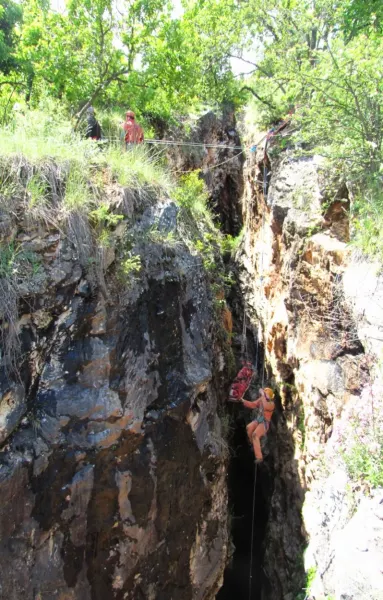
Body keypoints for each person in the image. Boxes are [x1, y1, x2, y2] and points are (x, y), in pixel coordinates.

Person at [242, 387, 275, 463]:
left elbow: (266, 406)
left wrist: (262, 395)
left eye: (266, 394)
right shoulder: (261, 400)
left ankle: (259, 457)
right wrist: (243, 401)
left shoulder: (271, 404)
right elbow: (253, 404)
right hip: (258, 420)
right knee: (248, 427)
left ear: (269, 396)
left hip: (264, 423)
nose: (264, 395)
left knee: (255, 435)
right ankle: (252, 443)